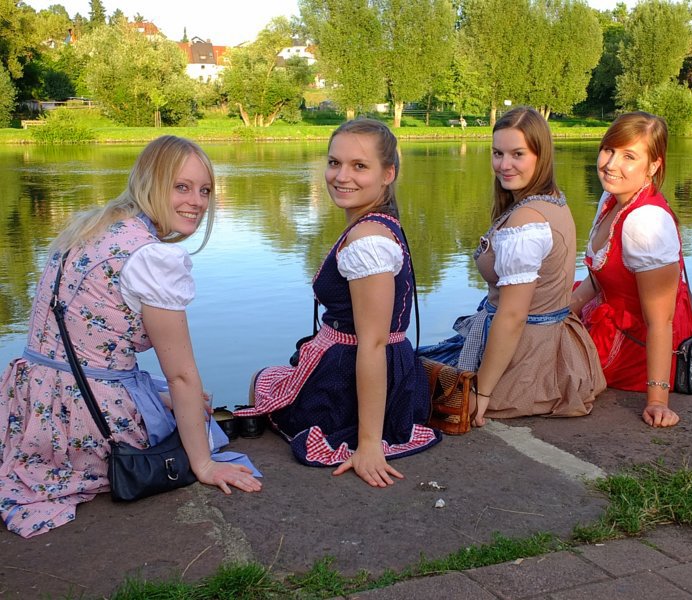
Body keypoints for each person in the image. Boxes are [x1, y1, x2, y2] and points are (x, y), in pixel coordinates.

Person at [0, 135, 261, 538]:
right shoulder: (151, 258)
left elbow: (84, 344)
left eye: (205, 190)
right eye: (181, 187)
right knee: (195, 411)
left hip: (33, 399)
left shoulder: (93, 226)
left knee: (182, 401)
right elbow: (182, 375)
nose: (196, 201)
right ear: (150, 183)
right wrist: (203, 465)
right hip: (79, 419)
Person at [236, 118, 441, 487]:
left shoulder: (368, 240)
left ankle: (365, 430)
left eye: (359, 166)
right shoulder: (375, 224)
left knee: (260, 382)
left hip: (347, 381)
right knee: (267, 381)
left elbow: (373, 343)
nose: (341, 176)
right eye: (334, 163)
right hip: (364, 364)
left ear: (388, 174)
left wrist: (369, 444)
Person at [418, 106, 606, 426]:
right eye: (498, 153)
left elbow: (513, 316)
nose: (504, 165)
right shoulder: (550, 200)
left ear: (540, 155)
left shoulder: (527, 221)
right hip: (550, 344)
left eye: (517, 154)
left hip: (526, 360)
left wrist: (482, 392)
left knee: (399, 378)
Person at [570, 111, 692, 428]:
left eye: (629, 156)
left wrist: (657, 401)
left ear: (653, 165)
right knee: (528, 316)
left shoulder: (647, 222)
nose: (611, 164)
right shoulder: (611, 198)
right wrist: (563, 311)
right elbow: (600, 279)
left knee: (546, 366)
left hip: (637, 344)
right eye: (608, 150)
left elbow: (661, 322)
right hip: (609, 316)